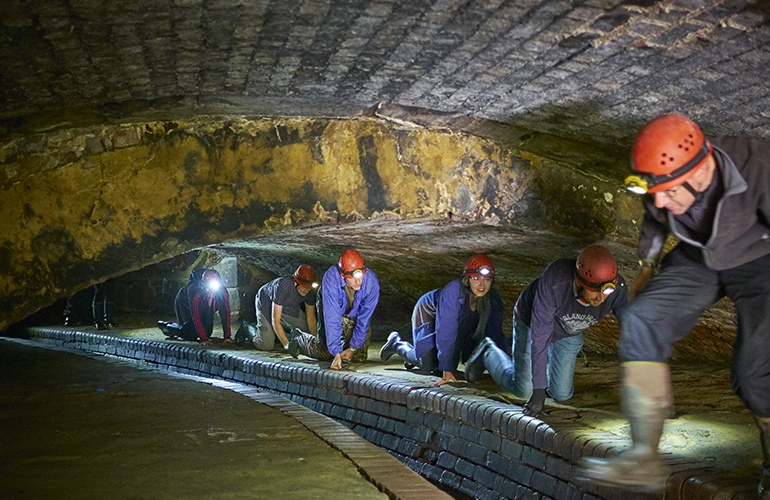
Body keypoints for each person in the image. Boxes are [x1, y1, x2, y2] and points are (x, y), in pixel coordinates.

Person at [578, 114, 770, 496]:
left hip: (758, 257)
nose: (660, 202)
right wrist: (648, 264)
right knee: (640, 318)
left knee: (754, 373)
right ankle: (643, 457)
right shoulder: (663, 187)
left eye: (668, 192)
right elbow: (654, 219)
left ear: (700, 171)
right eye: (654, 193)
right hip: (699, 256)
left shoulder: (758, 165)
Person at [463, 246, 627, 417]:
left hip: (568, 329)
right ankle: (487, 352)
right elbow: (539, 338)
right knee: (524, 389)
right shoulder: (555, 282)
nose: (601, 298)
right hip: (530, 322)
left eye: (606, 291)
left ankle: (543, 366)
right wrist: (538, 391)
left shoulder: (617, 289)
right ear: (579, 284)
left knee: (561, 395)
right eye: (594, 291)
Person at [379, 254, 508, 387]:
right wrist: (447, 370)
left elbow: (496, 333)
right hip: (429, 311)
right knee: (429, 365)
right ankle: (397, 344)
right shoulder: (453, 292)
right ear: (467, 279)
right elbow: (447, 331)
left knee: (444, 356)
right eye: (476, 278)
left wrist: (506, 367)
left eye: (487, 279)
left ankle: (421, 356)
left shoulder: (493, 299)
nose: (482, 284)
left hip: (457, 325)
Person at [288, 249, 379, 370]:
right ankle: (300, 339)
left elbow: (364, 318)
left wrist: (353, 348)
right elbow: (332, 319)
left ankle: (347, 347)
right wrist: (336, 354)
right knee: (327, 353)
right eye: (353, 278)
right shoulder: (331, 280)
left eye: (361, 276)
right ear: (343, 275)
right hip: (332, 308)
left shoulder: (371, 283)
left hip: (353, 313)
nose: (358, 282)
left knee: (358, 356)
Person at [236, 265, 318, 351]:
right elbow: (275, 320)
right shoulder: (283, 286)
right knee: (266, 345)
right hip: (267, 302)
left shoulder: (310, 292)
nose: (306, 290)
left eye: (309, 287)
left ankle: (277, 334)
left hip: (289, 305)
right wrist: (287, 345)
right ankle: (247, 327)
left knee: (306, 335)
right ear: (296, 282)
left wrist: (316, 342)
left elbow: (311, 319)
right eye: (303, 286)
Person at [158, 269, 233, 346]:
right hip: (184, 303)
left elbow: (225, 312)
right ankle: (169, 327)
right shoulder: (195, 292)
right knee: (191, 334)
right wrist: (204, 339)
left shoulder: (222, 291)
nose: (211, 291)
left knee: (207, 332)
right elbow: (196, 315)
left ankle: (183, 330)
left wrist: (227, 337)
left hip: (205, 304)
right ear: (203, 285)